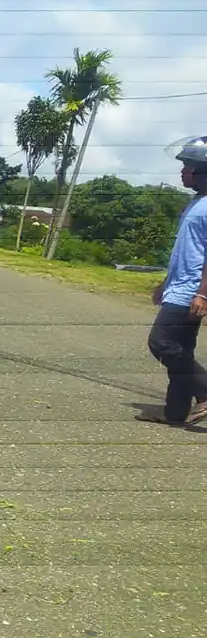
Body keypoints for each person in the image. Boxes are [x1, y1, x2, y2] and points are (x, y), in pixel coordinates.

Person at [140, 135, 207, 426]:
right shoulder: (197, 203)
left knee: (161, 342)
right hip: (180, 288)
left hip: (191, 291)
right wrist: (166, 282)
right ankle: (175, 411)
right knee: (182, 350)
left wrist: (202, 294)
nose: (182, 171)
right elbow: (188, 250)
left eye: (188, 165)